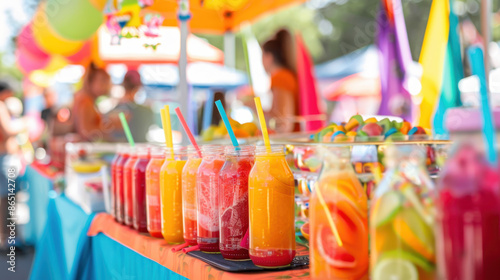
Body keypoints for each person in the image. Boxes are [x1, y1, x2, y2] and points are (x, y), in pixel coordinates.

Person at [0, 81, 26, 249]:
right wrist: (24, 124)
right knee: (8, 198)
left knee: (8, 198)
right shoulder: (1, 106)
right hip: (5, 157)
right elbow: (7, 130)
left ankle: (9, 238)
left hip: (6, 157)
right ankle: (9, 239)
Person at [261, 29, 299, 133]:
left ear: (268, 57)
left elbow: (283, 123)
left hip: (291, 143)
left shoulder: (280, 77)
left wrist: (255, 107)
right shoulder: (288, 75)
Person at [107, 70, 154, 143]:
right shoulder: (147, 111)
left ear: (123, 84)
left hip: (119, 150)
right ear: (139, 87)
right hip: (139, 149)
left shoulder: (113, 111)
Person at [72, 63, 113, 141]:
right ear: (90, 81)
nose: (105, 85)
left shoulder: (85, 99)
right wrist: (110, 127)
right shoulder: (86, 102)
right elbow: (85, 132)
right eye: (102, 81)